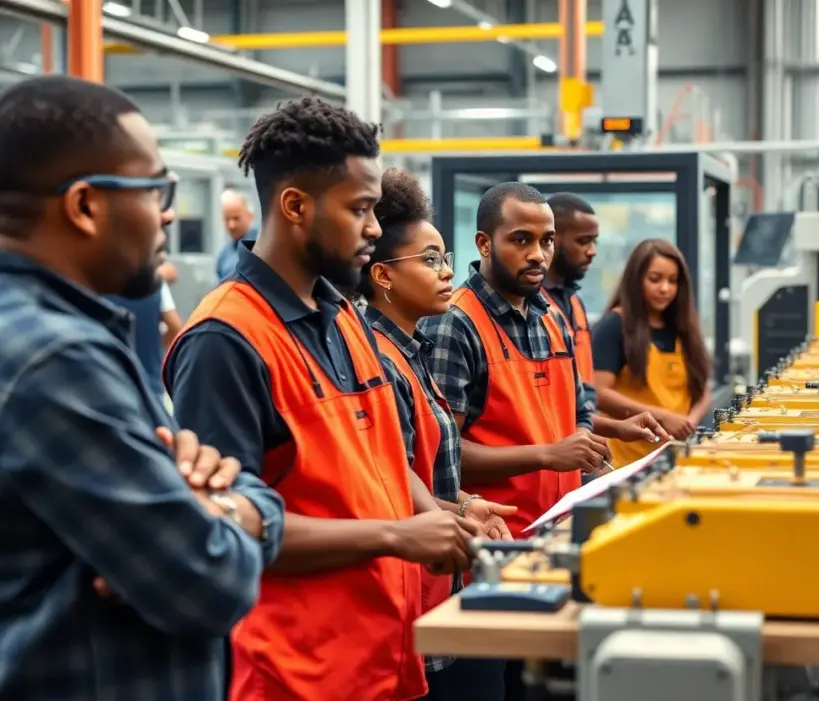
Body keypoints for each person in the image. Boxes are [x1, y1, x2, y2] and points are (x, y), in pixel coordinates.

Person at [163, 97, 483, 701]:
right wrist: (395, 536)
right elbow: (224, 532)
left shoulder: (344, 316)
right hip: (293, 675)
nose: (372, 228)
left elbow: (381, 460)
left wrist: (443, 512)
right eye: (360, 209)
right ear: (295, 206)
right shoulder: (224, 340)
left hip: (382, 658)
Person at [0, 75, 283, 701]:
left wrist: (211, 507)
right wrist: (235, 504)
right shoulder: (55, 360)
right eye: (157, 189)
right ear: (84, 206)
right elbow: (207, 581)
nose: (168, 213)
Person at [422, 181, 612, 701]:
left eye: (547, 240)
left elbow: (577, 412)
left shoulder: (550, 316)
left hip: (556, 551)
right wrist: (549, 455)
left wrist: (590, 450)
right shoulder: (453, 325)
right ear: (484, 244)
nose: (538, 254)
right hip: (491, 555)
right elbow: (444, 458)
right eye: (521, 240)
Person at [359, 167, 517, 700]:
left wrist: (465, 503)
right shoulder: (379, 362)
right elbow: (388, 485)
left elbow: (422, 471)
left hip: (447, 582)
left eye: (445, 258)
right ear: (382, 275)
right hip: (413, 599)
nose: (447, 271)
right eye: (430, 260)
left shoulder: (415, 351)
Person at [543, 192, 670, 450]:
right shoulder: (537, 308)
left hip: (580, 451)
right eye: (583, 241)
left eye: (594, 241)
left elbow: (582, 397)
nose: (592, 252)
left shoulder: (575, 305)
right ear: (551, 241)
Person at [592, 238, 713, 466]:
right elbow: (598, 392)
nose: (665, 288)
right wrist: (662, 417)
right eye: (655, 279)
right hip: (625, 463)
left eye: (673, 281)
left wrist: (688, 423)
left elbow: (702, 388)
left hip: (676, 455)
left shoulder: (683, 328)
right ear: (636, 280)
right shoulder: (615, 326)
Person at [107, 253, 183, 400]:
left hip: (111, 384)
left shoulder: (97, 284)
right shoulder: (154, 283)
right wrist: (158, 346)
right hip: (150, 384)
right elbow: (175, 326)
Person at [216, 188, 258, 280]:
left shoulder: (262, 247)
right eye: (227, 219)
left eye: (236, 218)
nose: (231, 225)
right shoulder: (224, 255)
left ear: (250, 216)